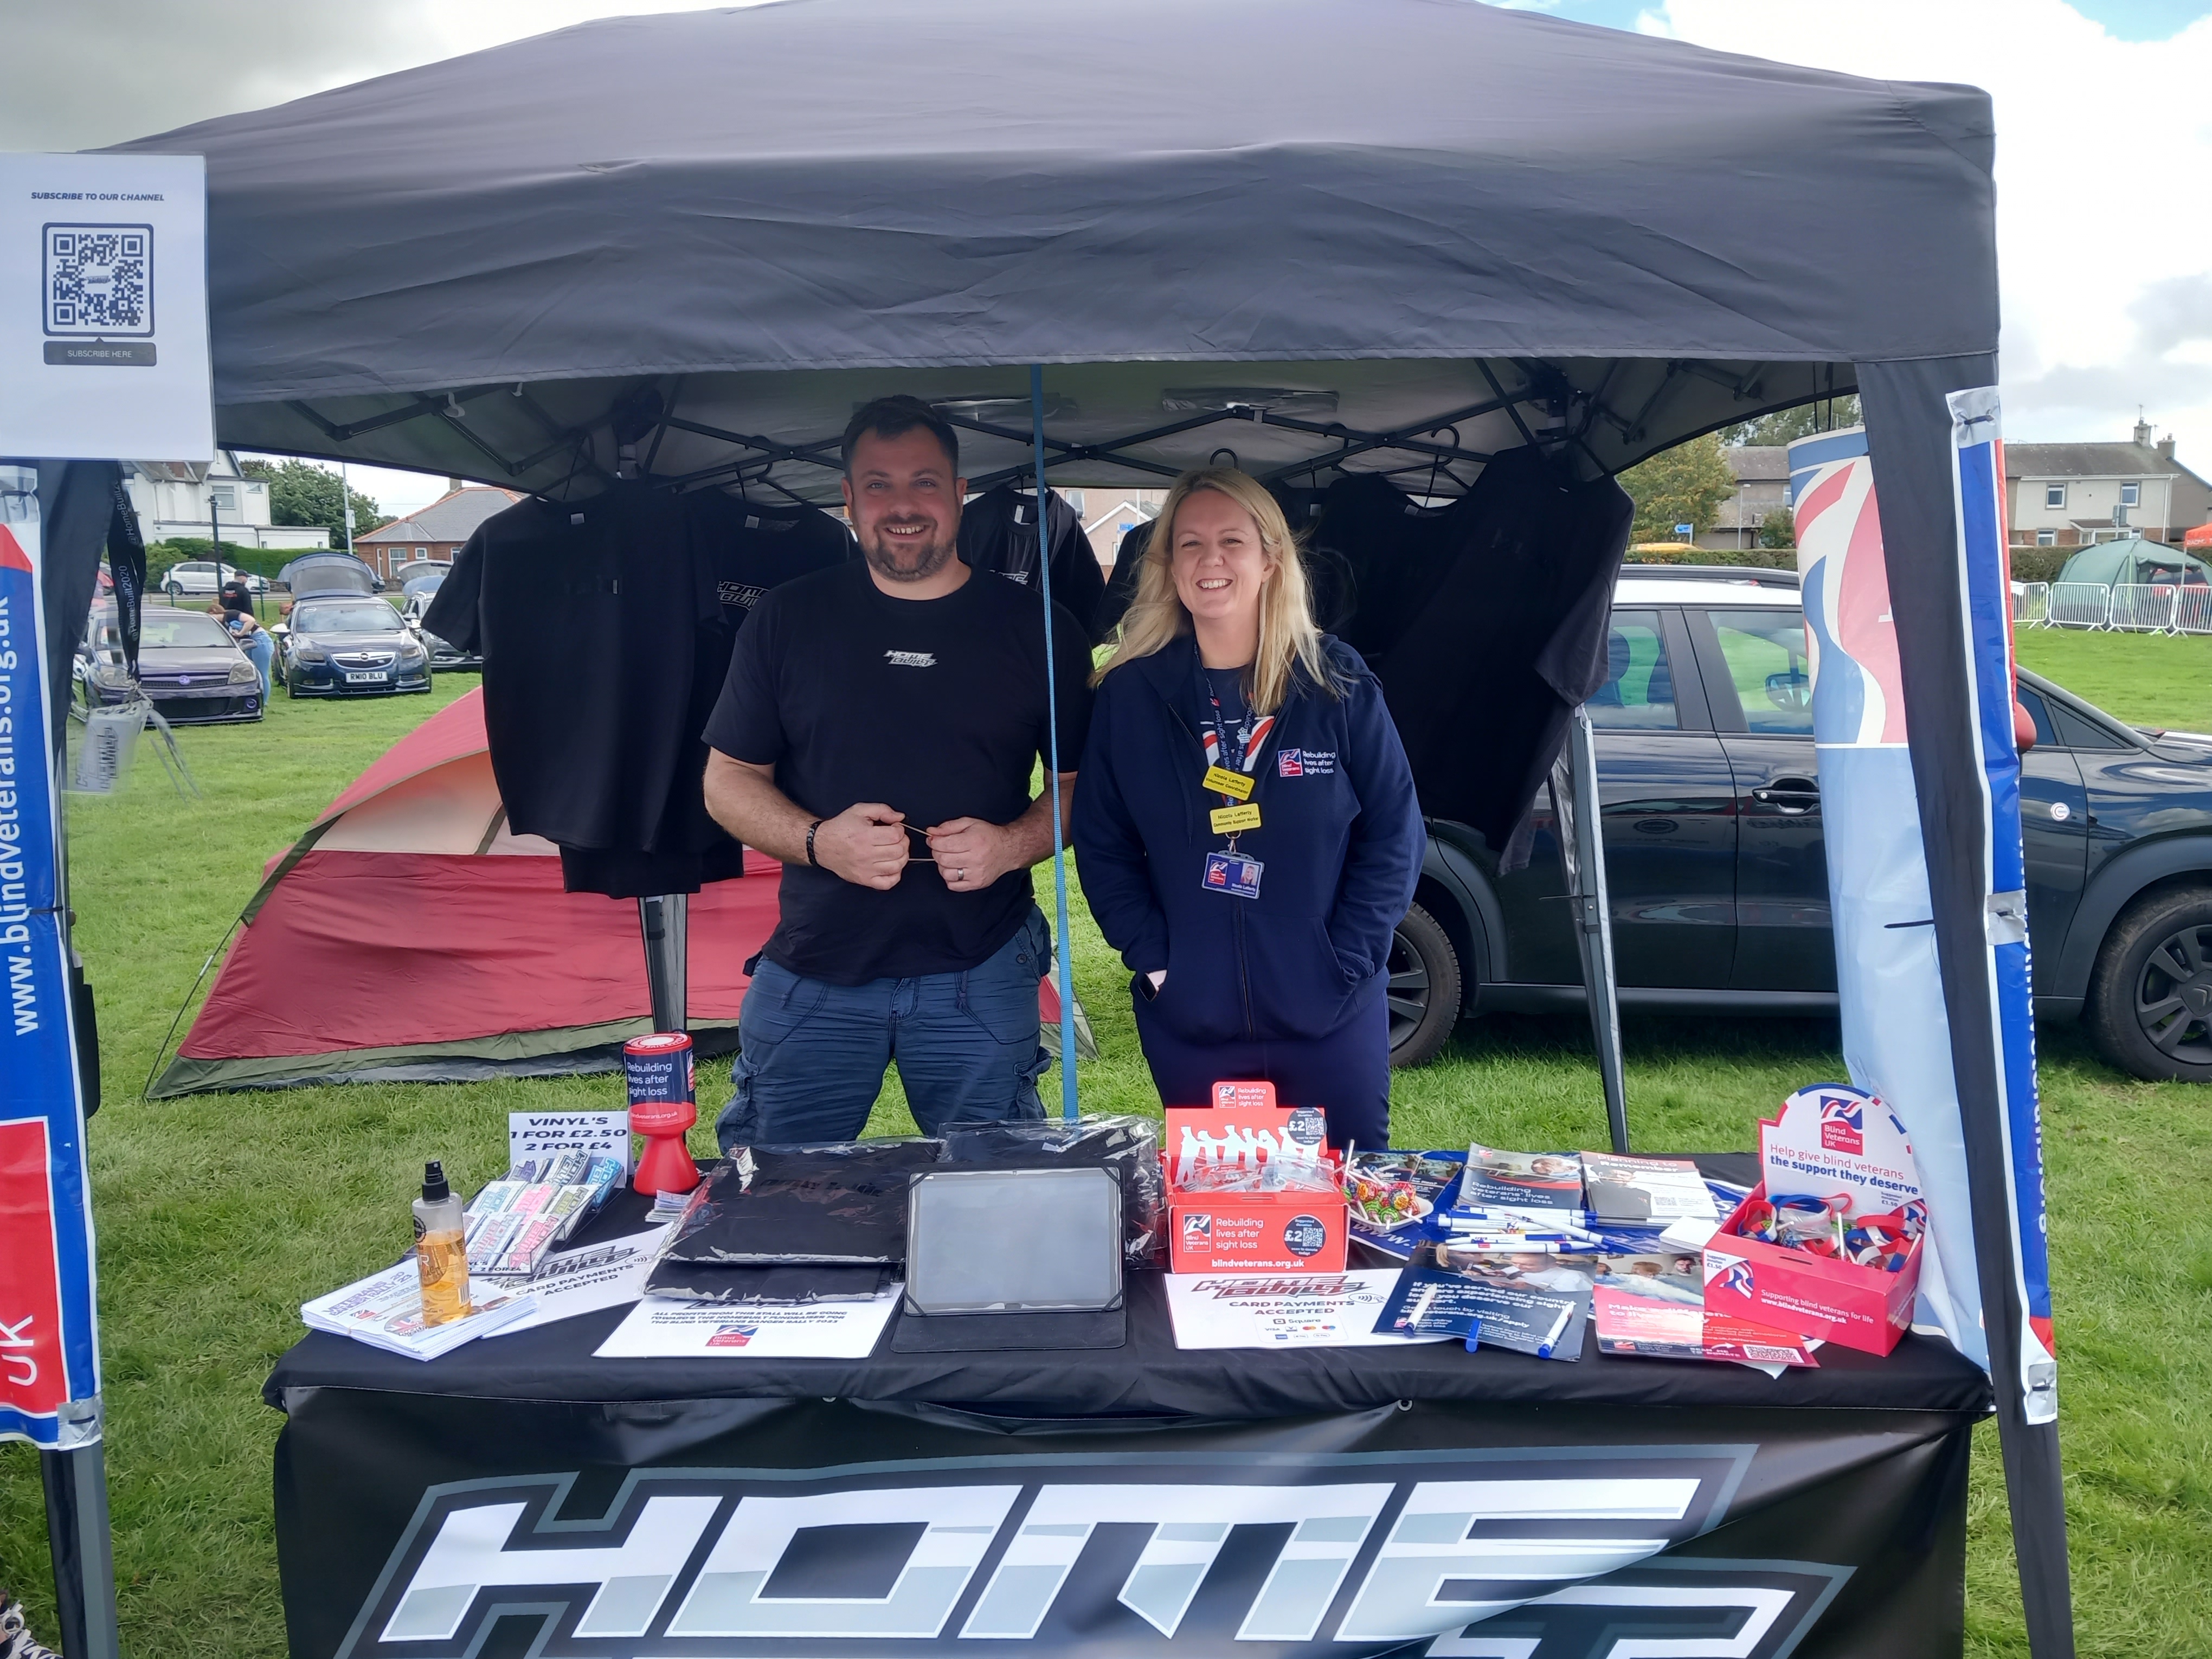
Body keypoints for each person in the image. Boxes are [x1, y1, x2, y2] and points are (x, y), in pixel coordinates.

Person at [701, 395, 1095, 1146]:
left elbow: (1080, 787)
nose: (903, 506)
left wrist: (1011, 845)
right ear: (847, 499)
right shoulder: (787, 619)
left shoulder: (1038, 628)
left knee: (996, 1199)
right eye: (878, 484)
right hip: (817, 965)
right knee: (777, 1198)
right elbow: (727, 779)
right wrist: (821, 842)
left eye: (924, 482)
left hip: (979, 965)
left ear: (959, 494)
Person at [1072, 466, 1422, 1149]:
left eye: (1232, 541)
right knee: (1219, 1219)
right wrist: (1157, 961)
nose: (1211, 561)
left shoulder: (1336, 682)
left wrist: (1345, 959)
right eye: (1190, 544)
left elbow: (1394, 833)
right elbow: (1103, 842)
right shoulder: (1132, 694)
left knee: (1340, 1209)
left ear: (1271, 559)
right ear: (1168, 565)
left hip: (1329, 1012)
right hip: (1191, 1020)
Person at [210, 595, 273, 697]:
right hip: (248, 641)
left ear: (213, 612)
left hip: (260, 639)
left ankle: (265, 701)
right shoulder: (223, 624)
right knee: (252, 672)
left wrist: (240, 633)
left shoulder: (231, 614)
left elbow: (251, 620)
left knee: (262, 672)